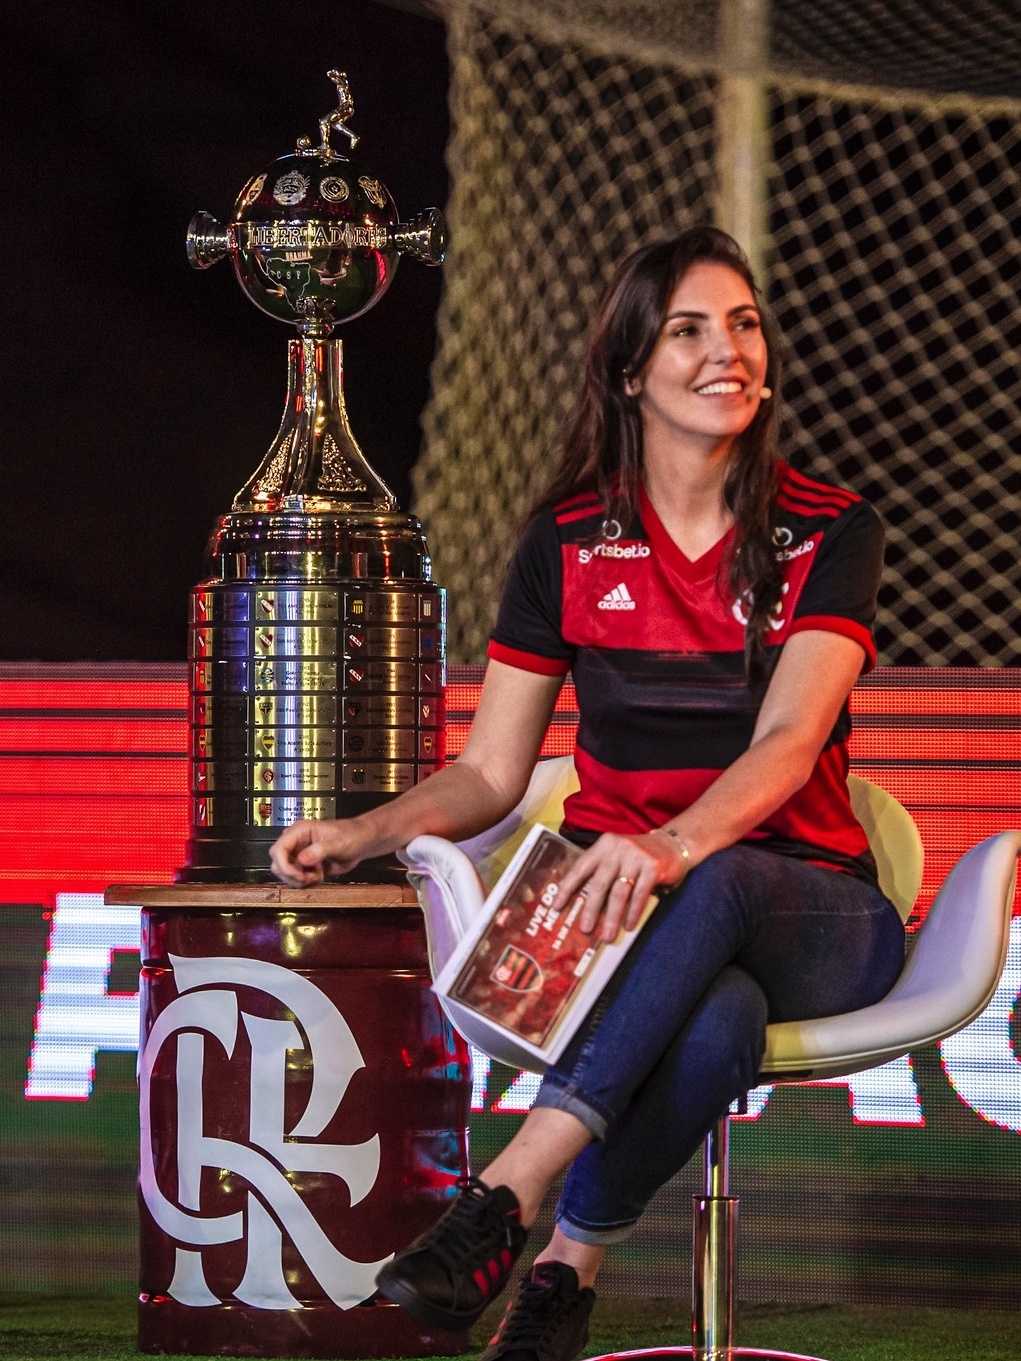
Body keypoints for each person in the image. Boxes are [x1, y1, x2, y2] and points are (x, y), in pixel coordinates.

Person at [269, 226, 906, 1361]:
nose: (730, 352)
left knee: (721, 879)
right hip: (615, 919)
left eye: (745, 324)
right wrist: (365, 829)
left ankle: (501, 1189)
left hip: (813, 906)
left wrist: (667, 844)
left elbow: (788, 742)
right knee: (716, 1019)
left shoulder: (829, 527)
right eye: (689, 330)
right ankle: (557, 1285)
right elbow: (491, 773)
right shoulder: (565, 542)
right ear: (628, 370)